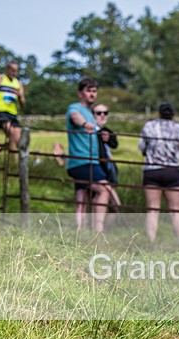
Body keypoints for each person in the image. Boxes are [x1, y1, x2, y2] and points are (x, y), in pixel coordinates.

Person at [138, 102, 179, 241]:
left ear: (159, 113)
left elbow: (142, 149)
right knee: (176, 211)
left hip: (152, 170)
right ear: (173, 114)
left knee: (153, 210)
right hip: (172, 171)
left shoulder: (148, 126)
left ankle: (151, 241)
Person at [66, 78, 112, 232]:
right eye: (88, 91)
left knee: (82, 199)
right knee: (105, 189)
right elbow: (74, 116)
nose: (92, 94)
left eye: (94, 91)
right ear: (80, 93)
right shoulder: (75, 108)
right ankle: (98, 230)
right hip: (83, 161)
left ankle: (80, 233)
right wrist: (85, 124)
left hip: (87, 161)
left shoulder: (91, 114)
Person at [93, 103, 122, 217]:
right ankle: (96, 226)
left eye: (105, 113)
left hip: (107, 172)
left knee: (112, 205)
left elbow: (114, 144)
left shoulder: (105, 131)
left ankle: (99, 226)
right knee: (114, 204)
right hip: (97, 171)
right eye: (99, 113)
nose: (103, 115)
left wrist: (108, 139)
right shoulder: (90, 132)